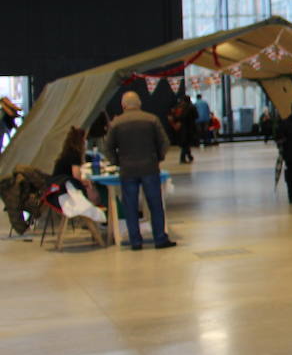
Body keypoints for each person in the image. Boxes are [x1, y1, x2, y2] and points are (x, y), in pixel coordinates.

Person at [103, 91, 174, 250]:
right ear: (140, 104)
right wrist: (158, 158)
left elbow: (107, 148)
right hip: (150, 167)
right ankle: (160, 239)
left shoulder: (116, 123)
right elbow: (165, 142)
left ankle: (135, 241)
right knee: (155, 205)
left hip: (127, 170)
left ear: (123, 105)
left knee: (131, 206)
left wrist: (117, 162)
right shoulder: (152, 119)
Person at [51, 126, 99, 204]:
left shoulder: (67, 153)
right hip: (64, 190)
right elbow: (76, 177)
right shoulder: (74, 155)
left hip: (57, 188)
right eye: (85, 140)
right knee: (94, 193)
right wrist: (87, 182)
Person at [169, 95, 197, 163]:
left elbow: (179, 117)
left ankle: (189, 156)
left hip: (183, 128)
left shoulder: (181, 108)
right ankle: (184, 158)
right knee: (187, 143)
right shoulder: (191, 107)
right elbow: (196, 116)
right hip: (190, 127)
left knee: (185, 143)